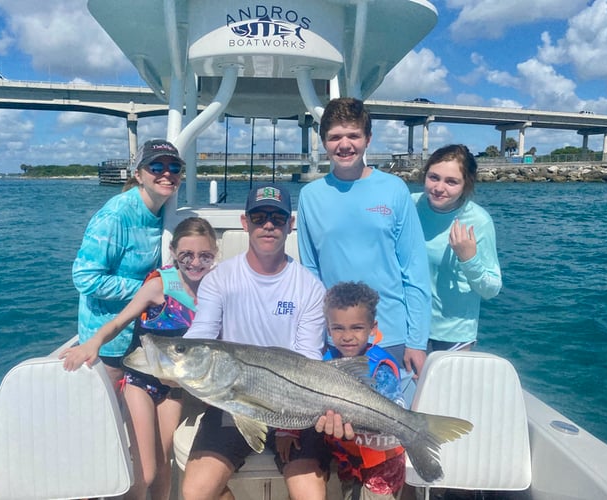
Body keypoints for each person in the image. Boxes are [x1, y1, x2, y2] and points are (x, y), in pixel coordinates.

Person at [180, 183, 330, 500]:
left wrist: (290, 425)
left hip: (293, 406)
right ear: (244, 222)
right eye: (259, 217)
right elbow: (201, 333)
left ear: (290, 225)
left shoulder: (310, 287)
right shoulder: (219, 279)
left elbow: (308, 360)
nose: (268, 225)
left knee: (311, 495)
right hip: (233, 401)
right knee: (195, 493)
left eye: (276, 218)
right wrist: (179, 366)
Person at [62, 217, 218, 500]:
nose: (195, 263)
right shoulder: (161, 285)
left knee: (162, 464)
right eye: (187, 255)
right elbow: (119, 322)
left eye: (205, 256)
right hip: (140, 382)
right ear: (173, 252)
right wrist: (94, 342)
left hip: (173, 388)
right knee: (144, 472)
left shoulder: (214, 289)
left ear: (215, 255)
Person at [298, 97, 432, 379]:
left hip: (391, 335)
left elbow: (415, 271)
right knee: (336, 424)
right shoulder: (310, 196)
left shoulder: (395, 190)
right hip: (335, 338)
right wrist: (313, 336)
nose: (344, 145)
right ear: (324, 142)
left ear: (368, 139)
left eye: (353, 135)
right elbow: (310, 273)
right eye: (335, 137)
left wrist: (417, 342)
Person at [72, 139, 185, 388]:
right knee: (114, 413)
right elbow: (85, 278)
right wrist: (148, 290)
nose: (167, 174)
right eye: (156, 167)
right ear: (138, 174)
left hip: (146, 332)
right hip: (110, 341)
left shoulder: (166, 213)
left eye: (174, 168)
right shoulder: (115, 216)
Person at [411, 144, 502, 351]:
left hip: (454, 335)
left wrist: (469, 259)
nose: (439, 187)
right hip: (409, 327)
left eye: (451, 182)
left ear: (466, 184)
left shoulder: (479, 221)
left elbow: (491, 289)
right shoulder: (410, 206)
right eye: (433, 177)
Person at [322, 281, 407, 500]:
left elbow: (393, 426)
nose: (347, 336)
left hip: (382, 468)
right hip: (350, 462)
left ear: (373, 328)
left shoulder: (381, 369)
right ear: (328, 328)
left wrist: (359, 430)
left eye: (357, 327)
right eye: (338, 328)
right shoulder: (326, 362)